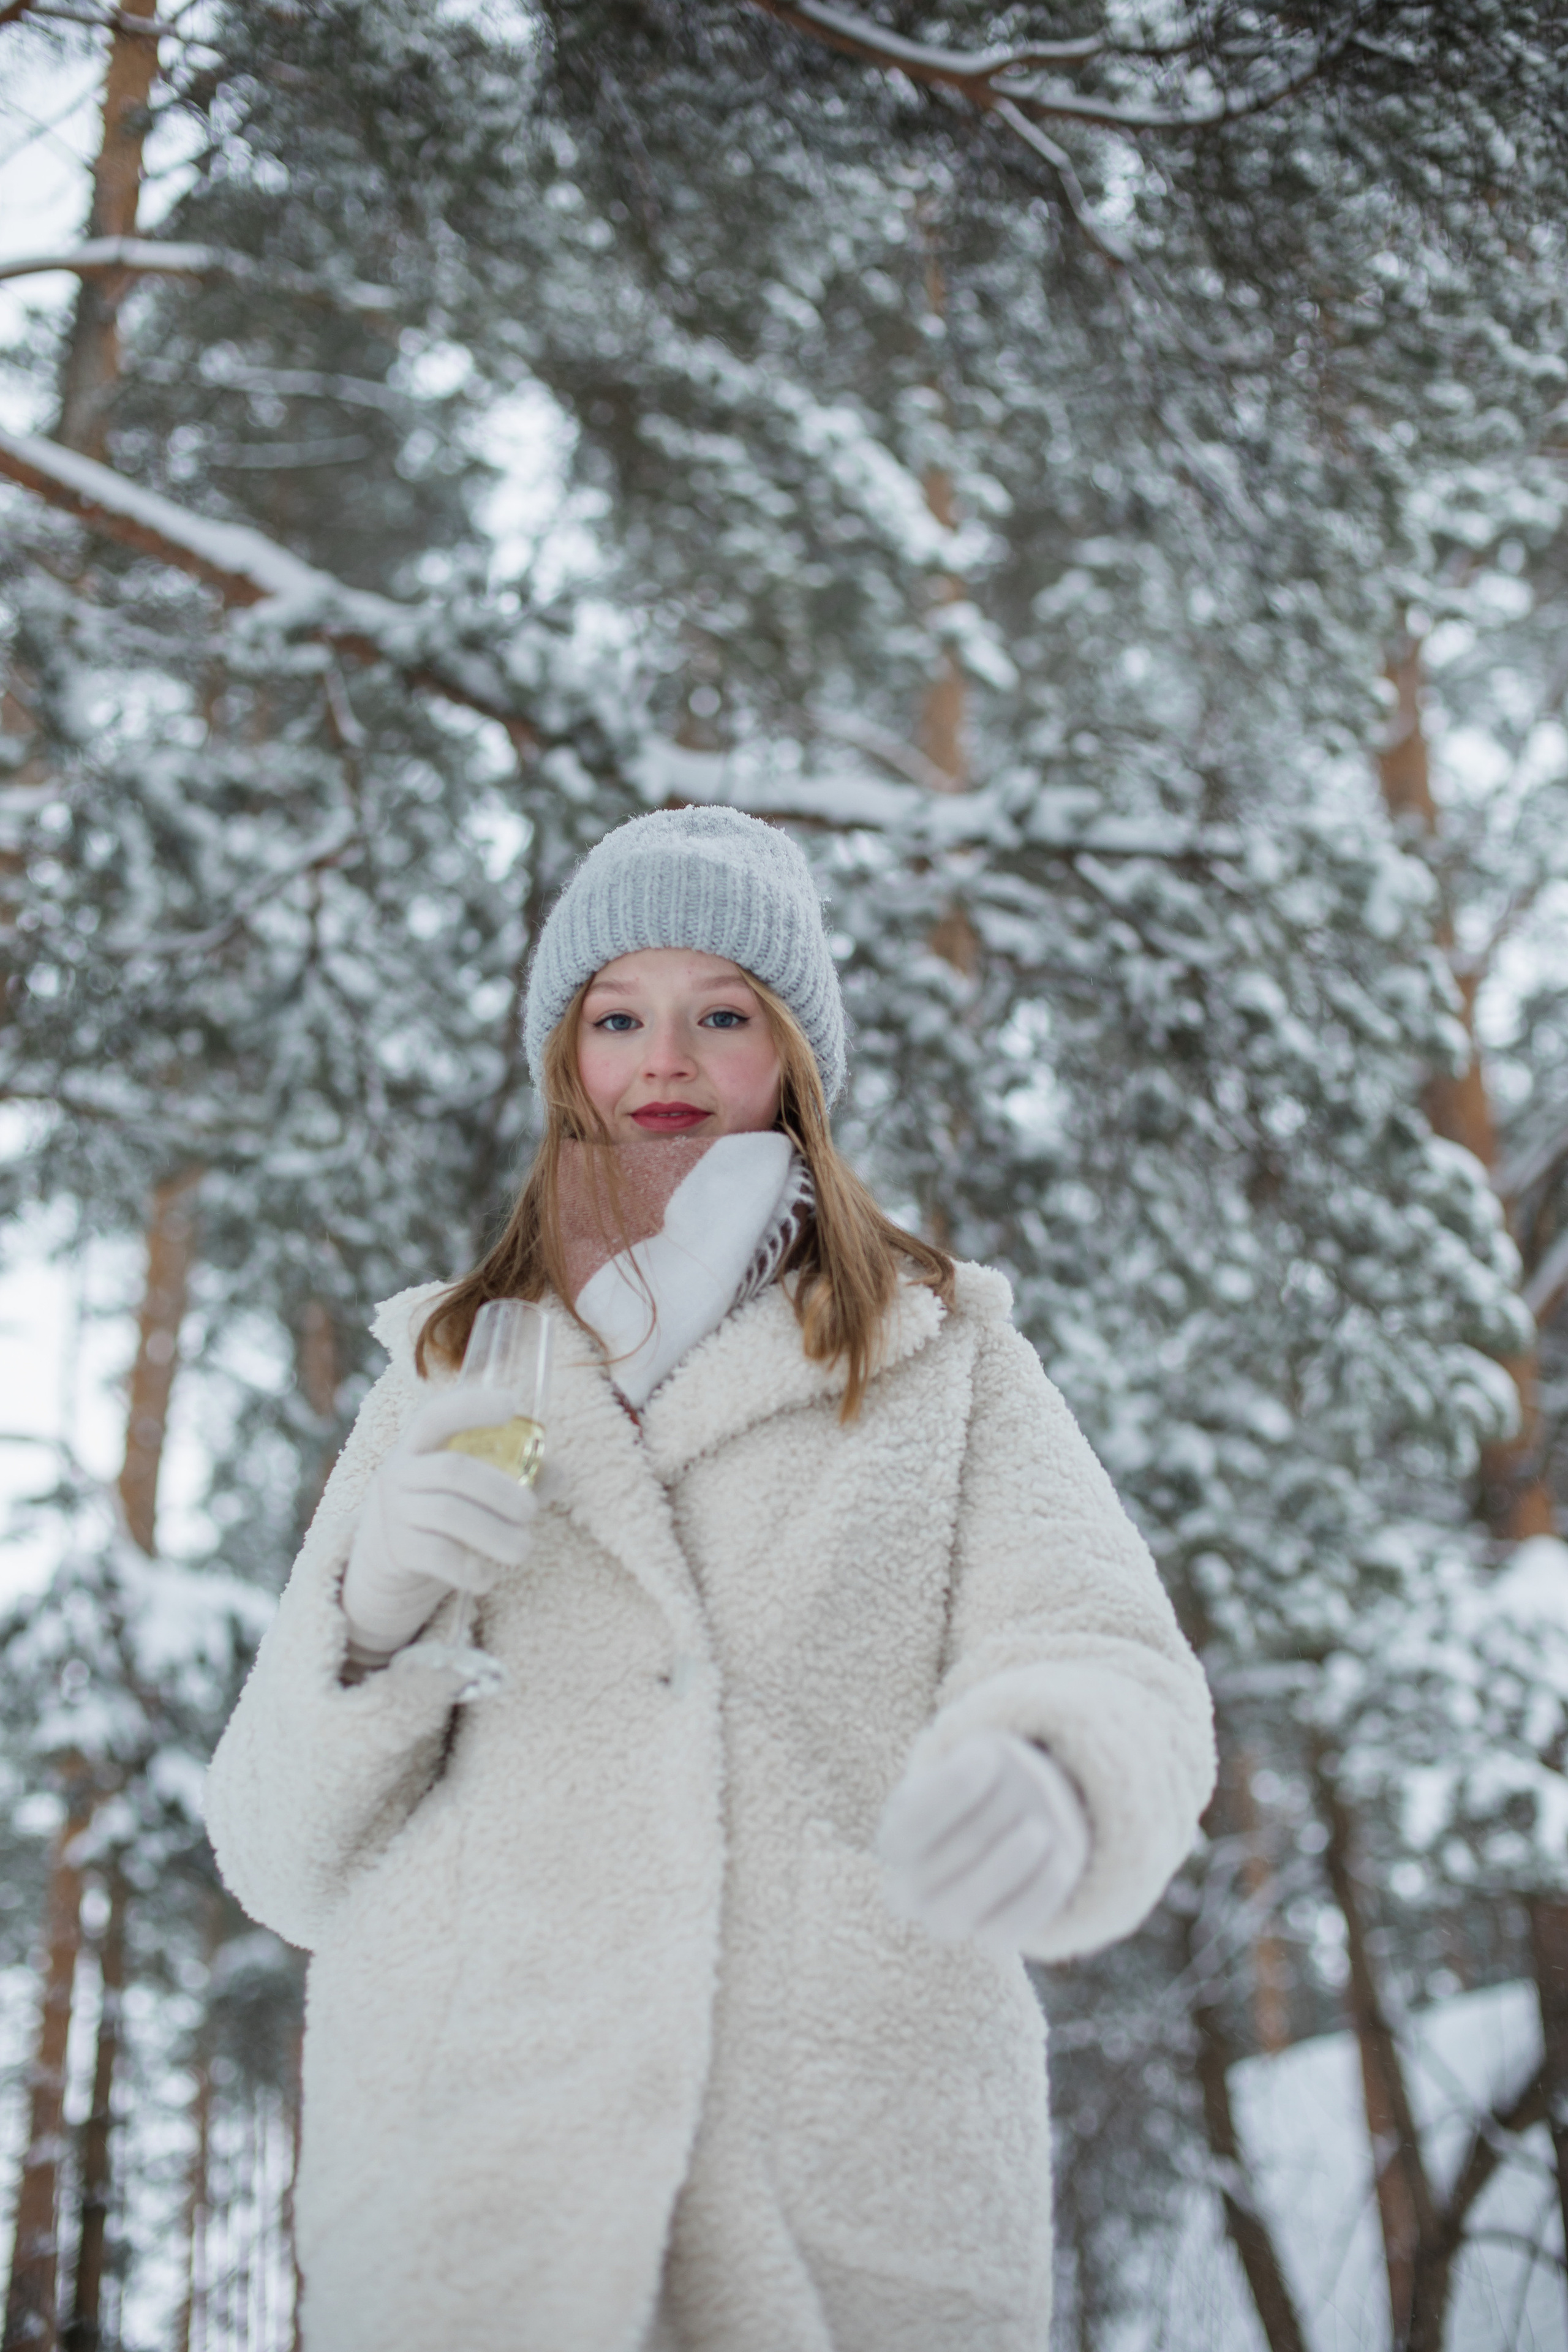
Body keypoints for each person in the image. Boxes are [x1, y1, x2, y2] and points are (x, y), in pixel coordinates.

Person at [205, 805, 1215, 2352]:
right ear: (566, 1054)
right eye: (616, 1016)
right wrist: (370, 1625)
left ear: (791, 1055)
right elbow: (278, 1856)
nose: (662, 1059)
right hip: (467, 2200)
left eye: (720, 1014)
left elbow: (1104, 1653)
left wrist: (1057, 1771)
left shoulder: (940, 1357)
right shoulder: (450, 1367)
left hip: (843, 2185)